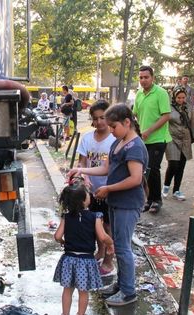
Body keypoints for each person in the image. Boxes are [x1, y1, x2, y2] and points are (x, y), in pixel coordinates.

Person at [67, 104, 148, 306]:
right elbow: (105, 168)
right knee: (120, 246)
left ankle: (128, 292)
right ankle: (121, 284)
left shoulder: (135, 146)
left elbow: (136, 179)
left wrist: (109, 189)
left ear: (127, 122)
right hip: (116, 202)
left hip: (128, 204)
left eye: (113, 126)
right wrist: (81, 170)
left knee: (122, 247)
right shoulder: (119, 143)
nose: (110, 130)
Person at [53, 181, 113, 315]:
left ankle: (65, 313)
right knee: (83, 292)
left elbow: (57, 236)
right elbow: (103, 237)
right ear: (83, 201)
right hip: (86, 261)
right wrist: (110, 244)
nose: (90, 196)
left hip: (68, 259)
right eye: (88, 194)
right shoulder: (95, 217)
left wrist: (62, 241)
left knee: (67, 290)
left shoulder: (66, 217)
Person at [76, 100, 116, 276]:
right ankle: (100, 252)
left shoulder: (115, 139)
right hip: (92, 191)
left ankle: (109, 261)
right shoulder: (87, 138)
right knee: (95, 223)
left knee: (108, 226)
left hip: (110, 190)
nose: (100, 122)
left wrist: (110, 187)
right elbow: (82, 162)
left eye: (103, 118)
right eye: (96, 119)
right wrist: (84, 177)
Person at [132, 65, 171, 214]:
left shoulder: (161, 93)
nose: (143, 80)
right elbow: (134, 113)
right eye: (141, 77)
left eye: (146, 77)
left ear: (152, 78)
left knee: (153, 168)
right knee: (143, 169)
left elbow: (166, 115)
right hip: (143, 139)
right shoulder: (139, 94)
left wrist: (149, 130)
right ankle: (148, 199)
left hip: (158, 138)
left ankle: (157, 200)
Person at [162, 88, 194, 201]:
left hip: (185, 139)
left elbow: (193, 124)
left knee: (181, 166)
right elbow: (163, 122)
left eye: (183, 97)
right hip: (172, 138)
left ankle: (176, 190)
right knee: (173, 164)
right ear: (174, 97)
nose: (181, 100)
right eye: (178, 97)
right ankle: (166, 186)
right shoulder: (168, 108)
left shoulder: (188, 108)